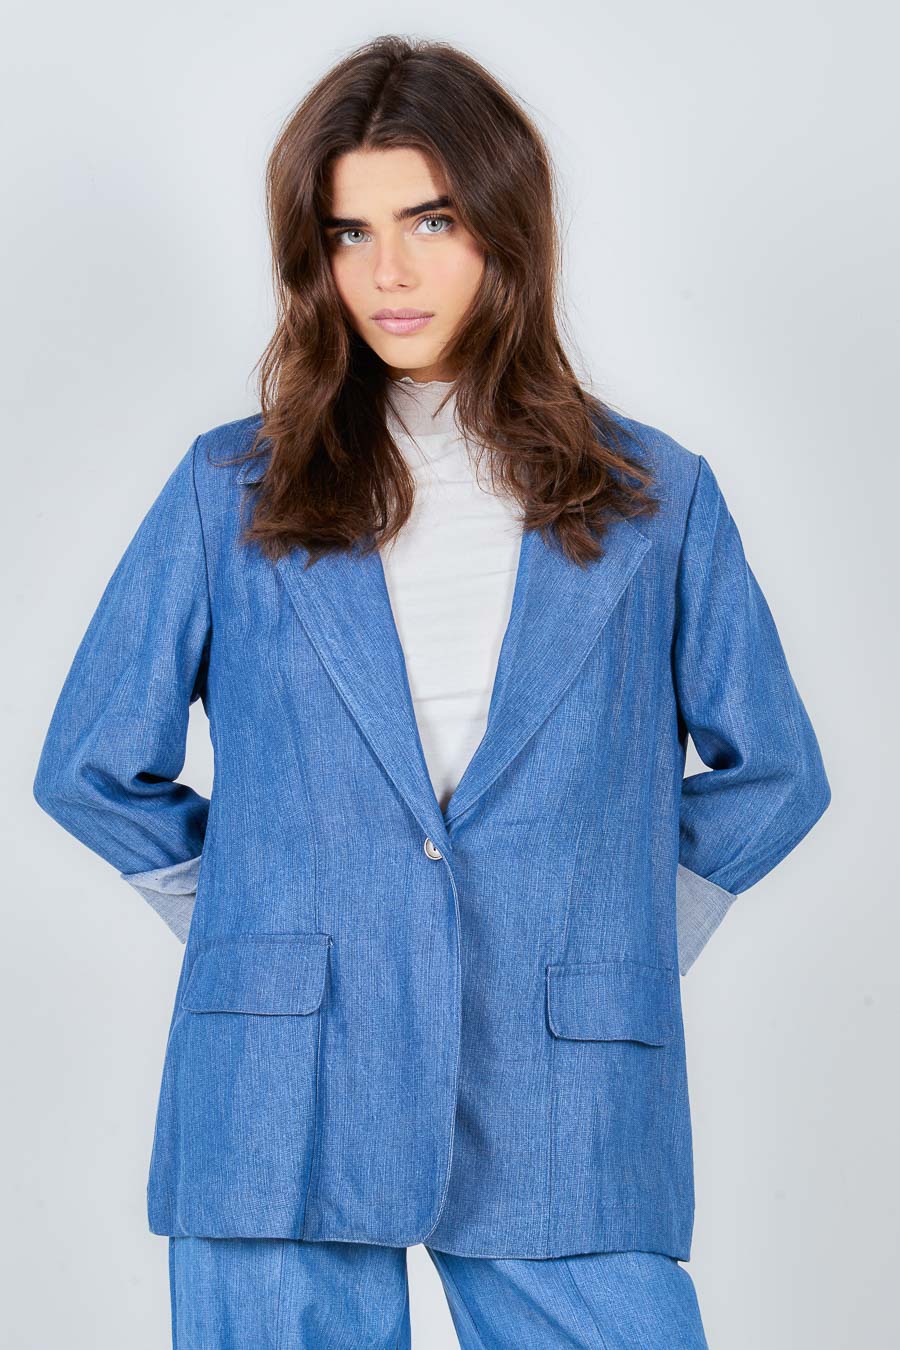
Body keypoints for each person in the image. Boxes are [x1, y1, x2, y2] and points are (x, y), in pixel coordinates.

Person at [32, 34, 831, 1349]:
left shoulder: (655, 496)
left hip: (563, 1067)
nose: (388, 272)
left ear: (507, 227)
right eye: (348, 232)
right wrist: (251, 912)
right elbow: (91, 762)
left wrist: (629, 927)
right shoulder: (231, 489)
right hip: (281, 1072)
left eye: (432, 220)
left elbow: (777, 770)